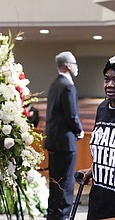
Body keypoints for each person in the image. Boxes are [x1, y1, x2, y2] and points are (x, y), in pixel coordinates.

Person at [44, 51, 84, 220]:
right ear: (68, 66)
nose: (76, 67)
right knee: (66, 183)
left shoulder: (54, 85)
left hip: (53, 142)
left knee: (55, 183)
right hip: (65, 144)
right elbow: (71, 115)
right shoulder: (67, 86)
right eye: (74, 63)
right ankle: (62, 216)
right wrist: (79, 131)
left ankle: (54, 215)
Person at [77, 55, 115, 220]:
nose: (110, 84)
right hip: (98, 203)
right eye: (107, 79)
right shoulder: (102, 109)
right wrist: (92, 171)